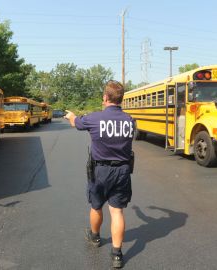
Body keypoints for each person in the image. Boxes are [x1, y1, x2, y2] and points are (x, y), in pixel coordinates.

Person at [64, 80, 135, 268]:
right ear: (121, 99)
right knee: (117, 211)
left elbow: (75, 123)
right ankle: (117, 254)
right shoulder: (130, 120)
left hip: (100, 171)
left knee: (96, 206)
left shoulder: (94, 118)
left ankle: (95, 236)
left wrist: (71, 115)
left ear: (105, 98)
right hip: (122, 170)